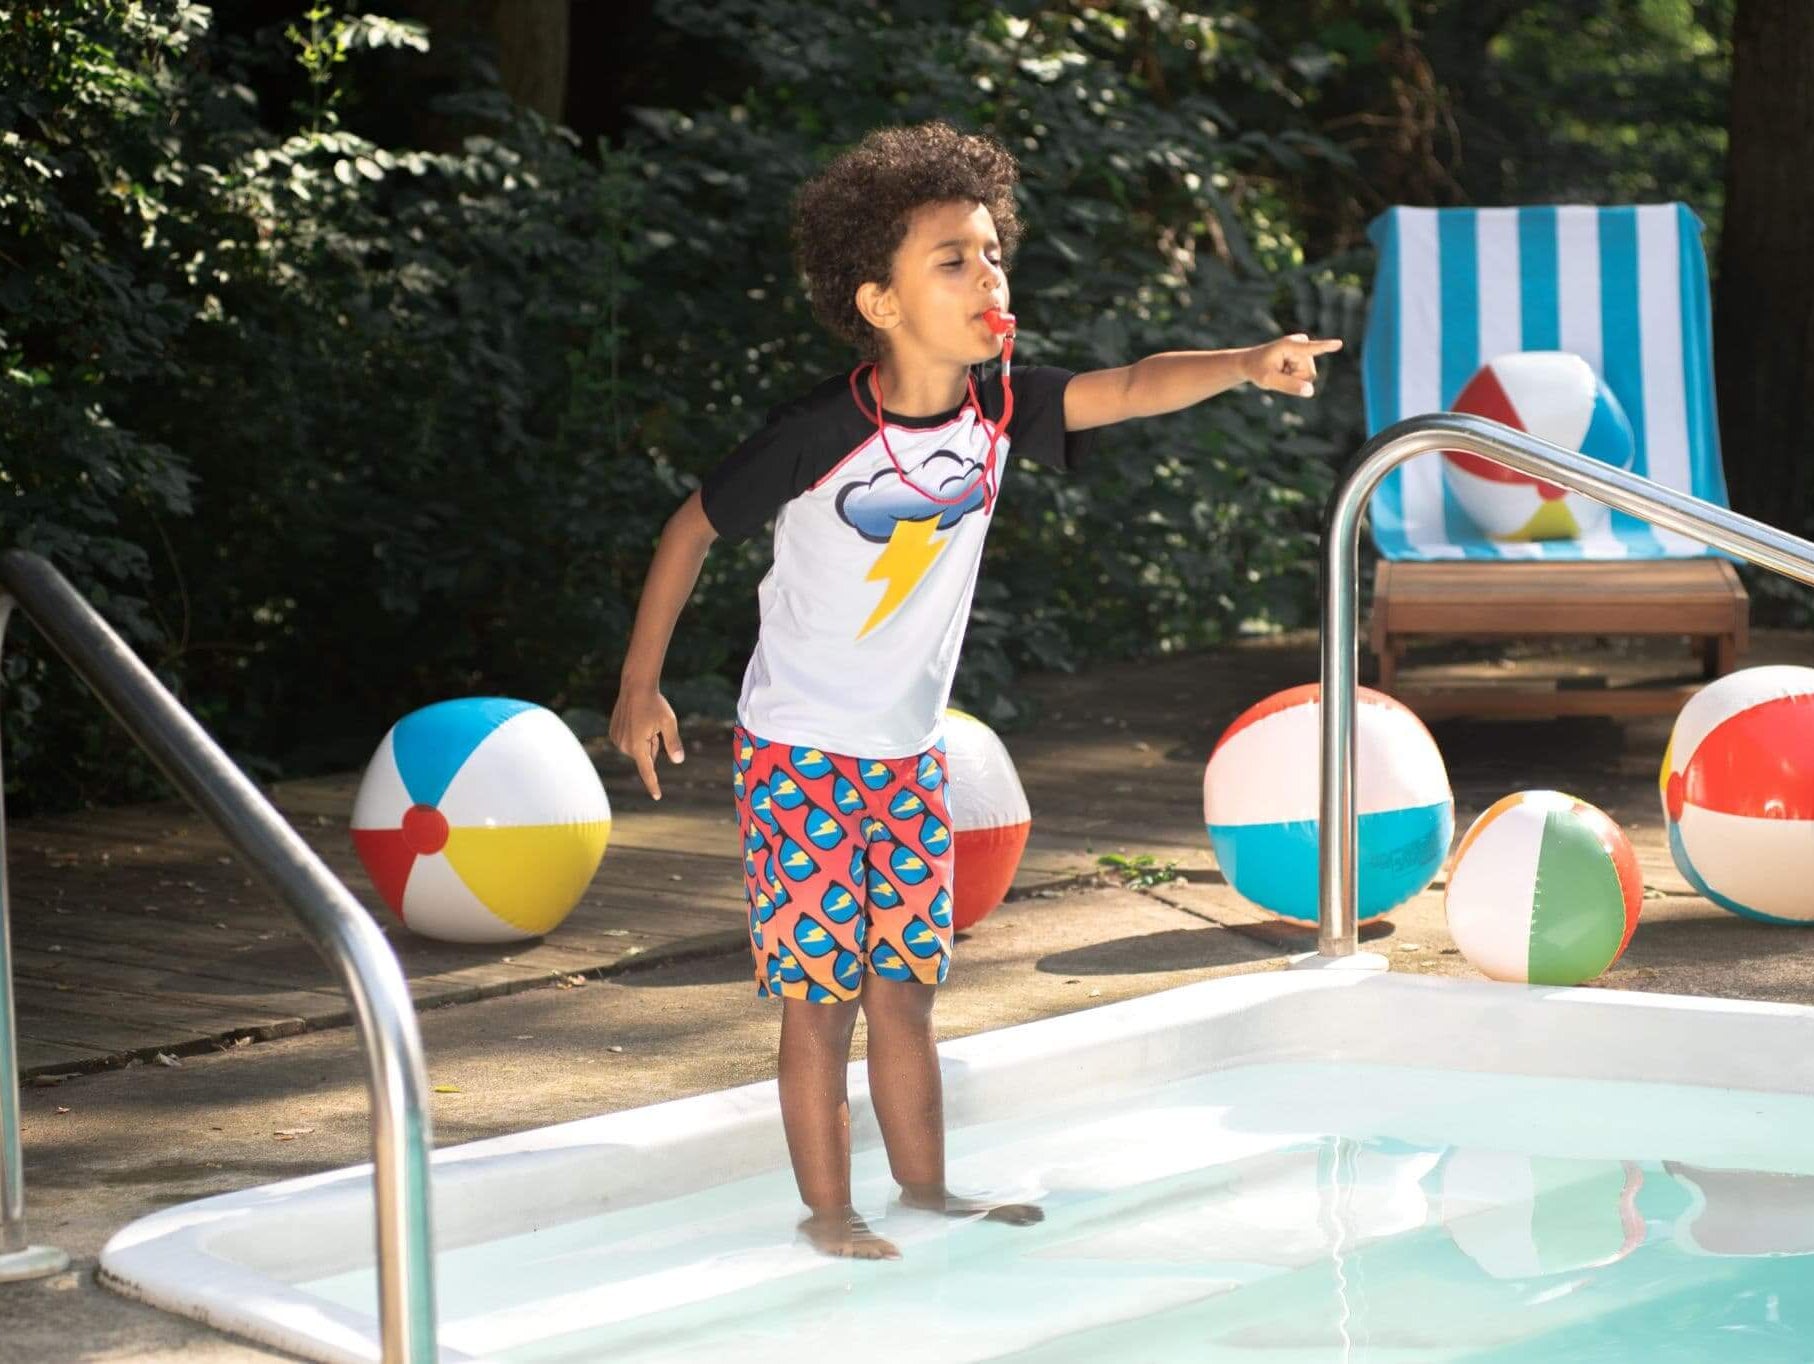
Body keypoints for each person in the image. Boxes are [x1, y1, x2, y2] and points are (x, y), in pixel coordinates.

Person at [608, 120, 1339, 1260]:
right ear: (879, 303)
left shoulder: (997, 408)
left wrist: (1245, 362)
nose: (986, 273)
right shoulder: (818, 432)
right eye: (950, 257)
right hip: (797, 752)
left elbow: (1136, 383)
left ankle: (922, 1191)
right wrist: (639, 688)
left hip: (905, 755)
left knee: (905, 990)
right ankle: (828, 1213)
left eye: (991, 250)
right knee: (822, 1000)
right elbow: (690, 529)